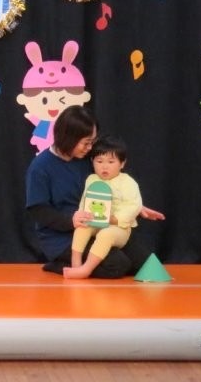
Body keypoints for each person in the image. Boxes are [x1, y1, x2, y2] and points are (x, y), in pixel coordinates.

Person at [25, 105, 164, 278]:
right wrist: (71, 220)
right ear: (68, 138)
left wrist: (135, 206)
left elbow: (107, 185)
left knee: (145, 263)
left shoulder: (86, 159)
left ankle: (84, 264)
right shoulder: (40, 167)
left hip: (97, 226)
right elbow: (38, 210)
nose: (90, 147)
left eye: (92, 141)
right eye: (86, 143)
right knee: (117, 265)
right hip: (62, 236)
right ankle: (60, 264)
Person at [63, 136, 143, 279]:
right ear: (92, 162)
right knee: (82, 227)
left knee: (106, 234)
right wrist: (82, 214)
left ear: (122, 163)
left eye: (111, 162)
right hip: (95, 222)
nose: (104, 167)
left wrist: (114, 219)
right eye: (99, 161)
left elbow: (134, 206)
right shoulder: (91, 179)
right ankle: (76, 263)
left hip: (119, 228)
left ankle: (86, 269)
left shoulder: (128, 182)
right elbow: (85, 201)